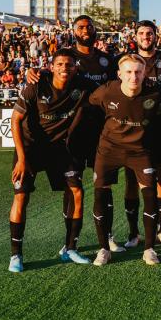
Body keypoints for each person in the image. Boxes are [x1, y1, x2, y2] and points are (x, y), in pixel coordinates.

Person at [26, 15, 122, 256]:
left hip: (103, 131)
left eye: (89, 27)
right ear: (73, 31)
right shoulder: (66, 57)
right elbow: (46, 77)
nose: (86, 30)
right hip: (75, 134)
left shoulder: (107, 60)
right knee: (73, 187)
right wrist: (32, 73)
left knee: (104, 185)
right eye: (81, 27)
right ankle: (70, 241)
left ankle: (107, 234)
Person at [7, 49, 95, 273]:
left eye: (69, 64)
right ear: (52, 66)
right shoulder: (36, 85)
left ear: (75, 67)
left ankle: (70, 248)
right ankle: (15, 255)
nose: (65, 68)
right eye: (60, 64)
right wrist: (21, 159)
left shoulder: (83, 86)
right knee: (21, 195)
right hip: (30, 147)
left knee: (76, 191)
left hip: (61, 149)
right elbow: (15, 120)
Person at [89, 54, 161, 266]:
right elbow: (90, 105)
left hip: (140, 152)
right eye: (129, 72)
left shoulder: (155, 94)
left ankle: (149, 248)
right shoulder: (106, 91)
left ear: (145, 73)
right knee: (100, 196)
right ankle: (104, 248)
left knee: (150, 196)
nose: (134, 77)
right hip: (109, 150)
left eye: (138, 72)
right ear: (119, 74)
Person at [114, 20, 161, 249]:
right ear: (136, 36)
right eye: (141, 33)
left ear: (155, 36)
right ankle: (133, 233)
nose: (146, 37)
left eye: (149, 33)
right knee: (132, 183)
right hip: (134, 131)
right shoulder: (126, 60)